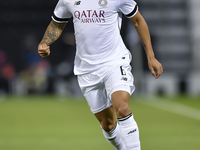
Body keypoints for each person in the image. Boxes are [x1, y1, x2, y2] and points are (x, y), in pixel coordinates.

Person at [38, 0, 163, 149]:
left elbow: (138, 20)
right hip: (87, 69)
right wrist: (45, 42)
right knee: (108, 125)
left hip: (114, 62)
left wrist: (151, 56)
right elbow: (57, 24)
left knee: (122, 108)